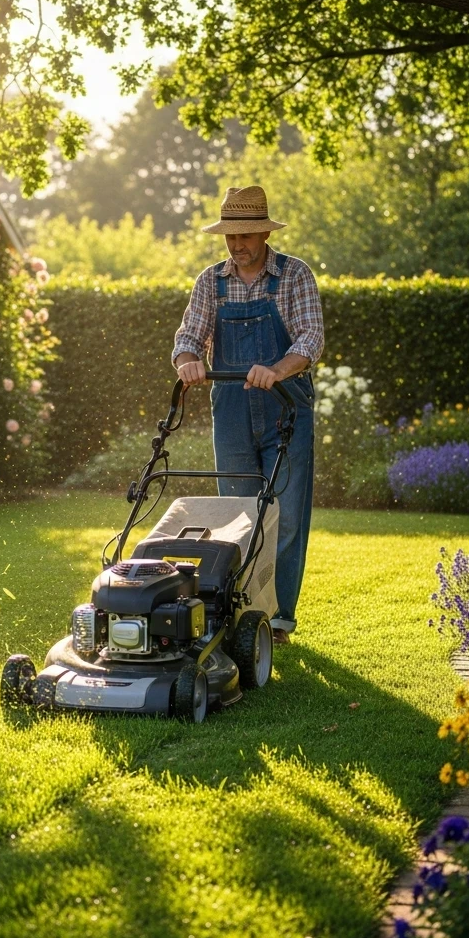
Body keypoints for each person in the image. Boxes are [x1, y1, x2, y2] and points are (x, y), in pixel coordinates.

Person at [172, 185, 324, 645]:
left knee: (286, 515)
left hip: (286, 412)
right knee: (237, 517)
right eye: (230, 238)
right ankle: (238, 616)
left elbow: (310, 339)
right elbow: (186, 340)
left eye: (246, 236)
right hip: (233, 414)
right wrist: (188, 363)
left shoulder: (294, 276)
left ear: (263, 232)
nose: (238, 246)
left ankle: (277, 622)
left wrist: (275, 370)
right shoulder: (210, 282)